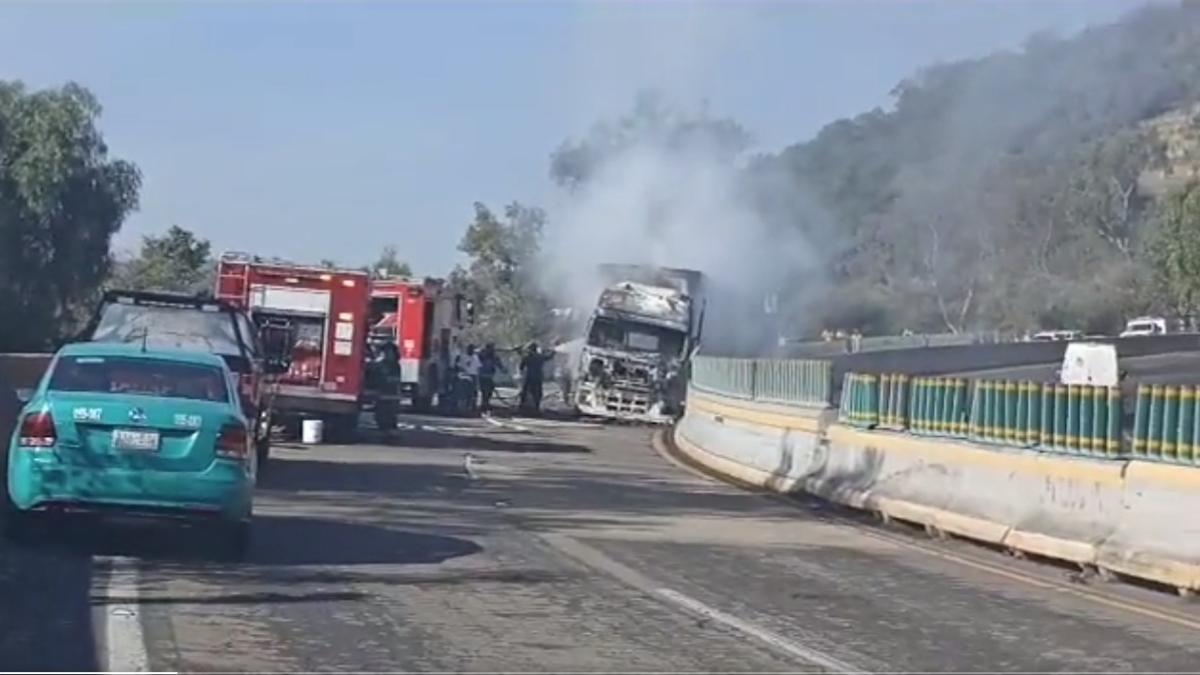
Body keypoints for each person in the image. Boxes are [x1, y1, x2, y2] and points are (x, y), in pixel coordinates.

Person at [518, 342, 552, 414]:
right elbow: (549, 357)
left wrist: (519, 352)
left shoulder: (527, 357)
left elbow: (521, 367)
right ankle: (536, 407)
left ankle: (522, 406)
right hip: (538, 377)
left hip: (529, 377)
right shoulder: (540, 357)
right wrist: (554, 351)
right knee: (537, 393)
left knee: (524, 392)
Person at [477, 343, 505, 413]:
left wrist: (503, 370)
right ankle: (484, 403)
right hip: (482, 375)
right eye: (490, 348)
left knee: (490, 390)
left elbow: (499, 364)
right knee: (484, 391)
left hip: (490, 376)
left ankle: (486, 403)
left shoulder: (494, 357)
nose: (491, 350)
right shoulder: (482, 355)